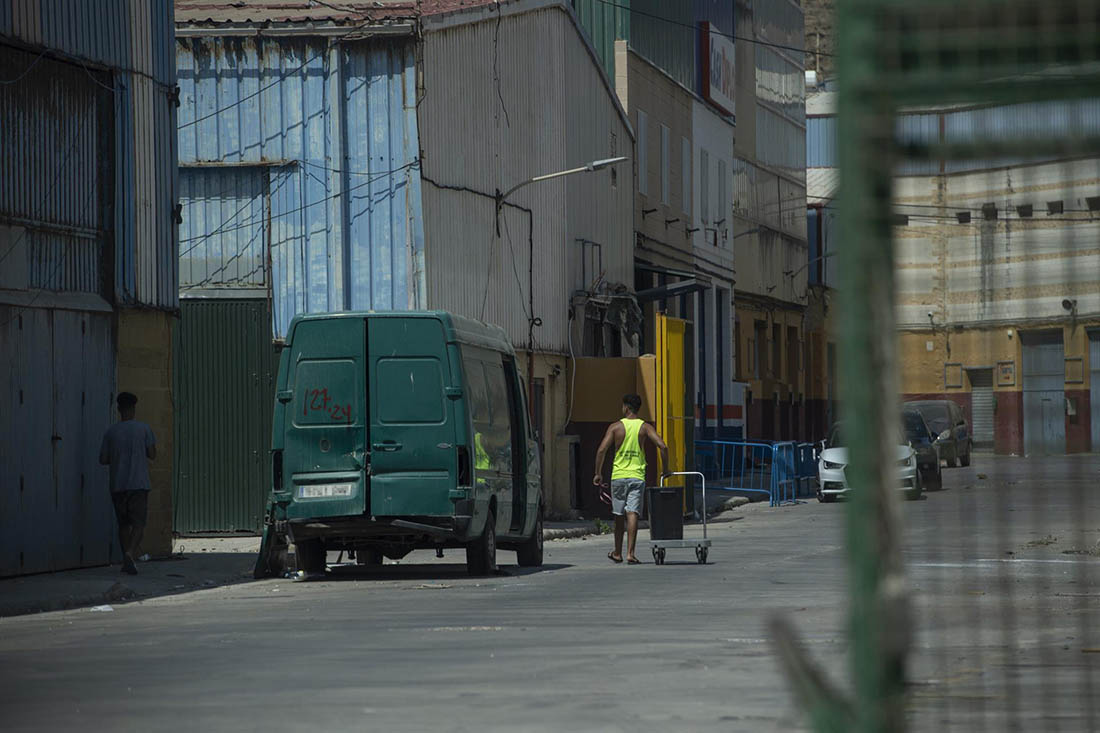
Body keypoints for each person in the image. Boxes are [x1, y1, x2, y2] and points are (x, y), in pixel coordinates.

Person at [593, 394, 669, 564]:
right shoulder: (644, 427)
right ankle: (630, 553)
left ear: (626, 407)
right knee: (632, 512)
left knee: (618, 514)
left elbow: (601, 450)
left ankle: (617, 552)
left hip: (618, 476)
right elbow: (662, 446)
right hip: (637, 476)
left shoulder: (615, 427)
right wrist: (665, 469)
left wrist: (598, 473)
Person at [99, 392, 156, 575]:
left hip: (118, 484)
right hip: (138, 483)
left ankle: (126, 557)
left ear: (118, 409)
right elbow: (152, 454)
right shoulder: (144, 429)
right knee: (139, 523)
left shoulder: (111, 432)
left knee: (123, 524)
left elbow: (103, 459)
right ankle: (130, 553)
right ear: (134, 408)